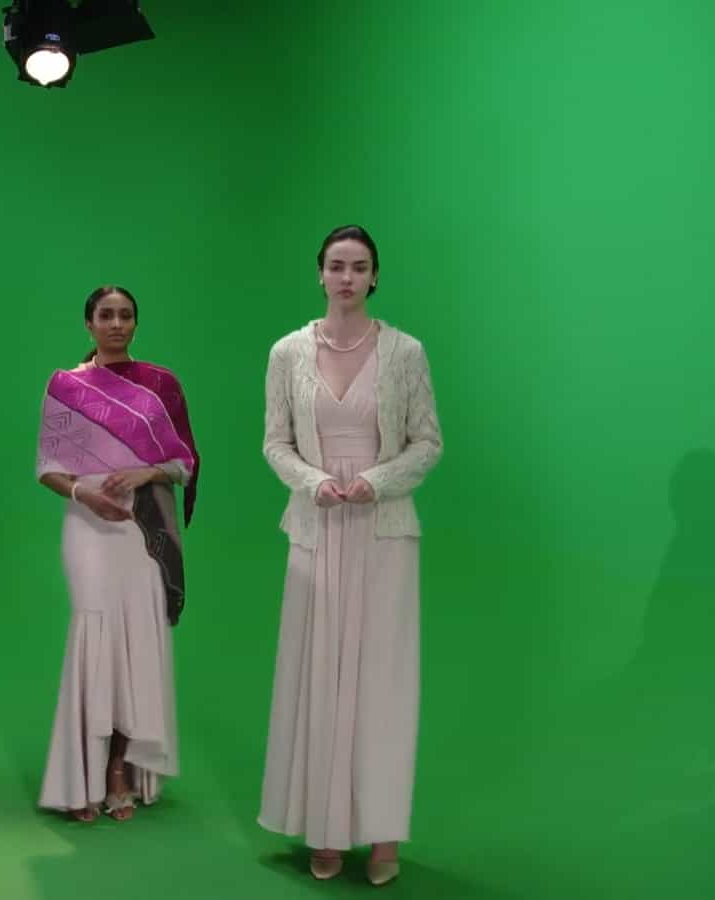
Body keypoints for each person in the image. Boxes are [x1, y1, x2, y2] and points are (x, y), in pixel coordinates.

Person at [257, 225, 443, 885]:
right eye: (336, 266)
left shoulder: (405, 352)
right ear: (320, 273)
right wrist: (314, 482)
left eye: (359, 267)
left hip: (383, 532)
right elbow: (275, 442)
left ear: (374, 277)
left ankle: (384, 836)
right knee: (316, 676)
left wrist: (376, 482)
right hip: (316, 527)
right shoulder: (287, 352)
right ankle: (325, 829)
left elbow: (428, 442)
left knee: (382, 683)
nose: (346, 277)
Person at [35, 285, 201, 822]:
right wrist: (86, 494)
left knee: (137, 643)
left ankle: (119, 772)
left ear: (135, 323)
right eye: (105, 315)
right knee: (96, 640)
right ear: (88, 323)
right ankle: (83, 776)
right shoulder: (66, 387)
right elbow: (47, 467)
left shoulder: (161, 386)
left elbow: (185, 462)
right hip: (89, 524)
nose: (116, 324)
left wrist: (145, 473)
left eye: (125, 315)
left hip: (143, 529)